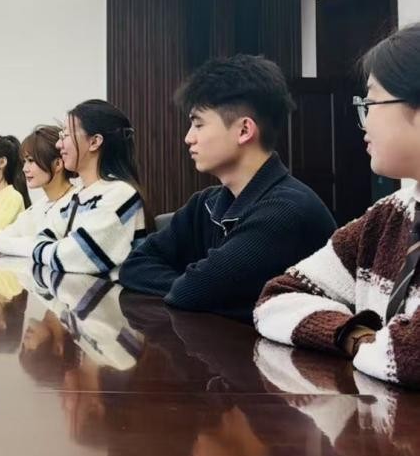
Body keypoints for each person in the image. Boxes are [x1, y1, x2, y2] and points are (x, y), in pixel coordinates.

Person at [256, 24, 420, 388]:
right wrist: (354, 334)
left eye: (371, 103)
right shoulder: (388, 216)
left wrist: (380, 347)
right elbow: (276, 297)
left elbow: (410, 356)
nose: (364, 122)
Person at [120, 56, 336, 321]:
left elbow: (192, 291)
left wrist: (195, 289)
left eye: (199, 124)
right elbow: (134, 266)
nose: (188, 138)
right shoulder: (206, 203)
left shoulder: (285, 210)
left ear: (244, 130)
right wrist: (193, 288)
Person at [31, 100, 147, 278]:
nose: (58, 144)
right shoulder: (80, 194)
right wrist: (53, 250)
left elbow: (72, 257)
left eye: (66, 135)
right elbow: (42, 237)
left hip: (110, 295)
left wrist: (50, 250)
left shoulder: (120, 194)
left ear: (94, 142)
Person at [0, 124, 76, 256]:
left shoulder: (76, 202)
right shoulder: (39, 206)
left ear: (57, 164)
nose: (25, 169)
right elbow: (2, 235)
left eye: (31, 161)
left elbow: (41, 245)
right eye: (24, 162)